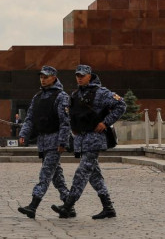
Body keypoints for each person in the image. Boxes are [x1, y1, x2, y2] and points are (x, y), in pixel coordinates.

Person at [52, 65, 125, 220]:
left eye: (82, 75)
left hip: (94, 139)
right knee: (94, 175)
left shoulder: (101, 92)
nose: (79, 78)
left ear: (90, 76)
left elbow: (121, 105)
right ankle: (108, 208)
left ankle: (68, 206)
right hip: (81, 140)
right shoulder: (75, 94)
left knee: (82, 172)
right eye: (77, 75)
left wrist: (105, 122)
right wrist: (74, 128)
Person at [16, 66, 71, 218]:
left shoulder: (61, 96)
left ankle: (33, 206)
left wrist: (62, 142)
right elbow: (30, 118)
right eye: (41, 76)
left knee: (45, 174)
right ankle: (69, 205)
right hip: (43, 141)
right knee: (56, 176)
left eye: (46, 77)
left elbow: (65, 122)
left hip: (54, 141)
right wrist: (24, 134)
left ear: (54, 77)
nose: (43, 79)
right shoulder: (38, 97)